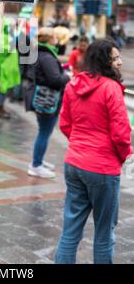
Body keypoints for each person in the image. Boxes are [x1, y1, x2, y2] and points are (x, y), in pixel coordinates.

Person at [55, 38, 133, 264]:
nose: (119, 62)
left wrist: (80, 143)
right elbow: (121, 134)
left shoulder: (73, 84)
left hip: (74, 163)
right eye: (115, 58)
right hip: (102, 167)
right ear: (104, 61)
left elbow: (65, 124)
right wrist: (121, 155)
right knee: (104, 233)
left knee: (70, 230)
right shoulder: (111, 88)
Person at [26, 27, 70, 178]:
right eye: (54, 37)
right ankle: (36, 165)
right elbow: (55, 79)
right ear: (50, 39)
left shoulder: (41, 53)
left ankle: (39, 160)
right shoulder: (47, 57)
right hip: (47, 100)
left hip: (43, 98)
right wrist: (67, 76)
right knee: (44, 133)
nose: (57, 39)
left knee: (44, 132)